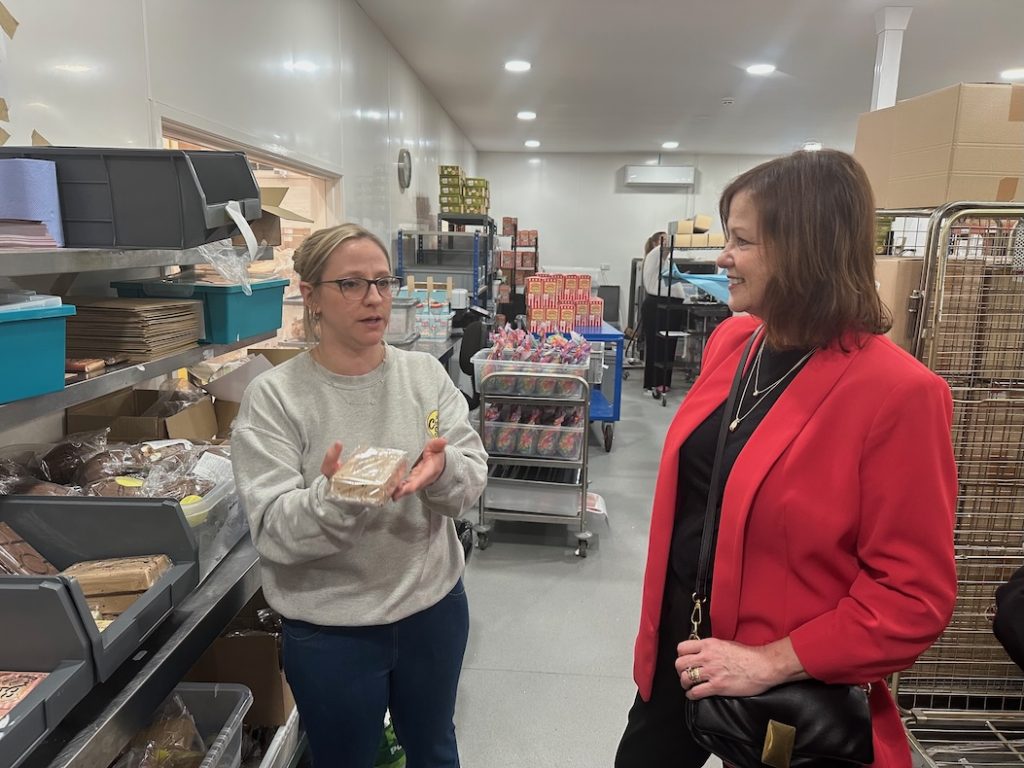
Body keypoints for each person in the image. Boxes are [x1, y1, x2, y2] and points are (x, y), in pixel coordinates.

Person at [616, 150, 958, 768]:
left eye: (741, 241)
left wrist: (770, 662)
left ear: (804, 251)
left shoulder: (898, 394)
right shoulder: (733, 343)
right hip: (682, 651)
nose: (722, 258)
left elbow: (912, 597)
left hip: (783, 692)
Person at [231, 223, 488, 768]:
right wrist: (337, 498)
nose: (374, 298)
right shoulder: (274, 397)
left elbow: (470, 477)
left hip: (431, 609)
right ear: (311, 296)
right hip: (331, 630)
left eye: (383, 281)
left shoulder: (424, 376)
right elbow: (272, 529)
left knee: (435, 750)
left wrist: (441, 471)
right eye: (351, 284)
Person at [640, 230, 689, 392]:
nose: (669, 242)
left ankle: (663, 382)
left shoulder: (665, 261)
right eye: (665, 239)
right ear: (656, 243)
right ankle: (654, 383)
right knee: (658, 345)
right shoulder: (655, 254)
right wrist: (683, 232)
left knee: (667, 345)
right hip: (658, 306)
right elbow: (667, 246)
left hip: (668, 306)